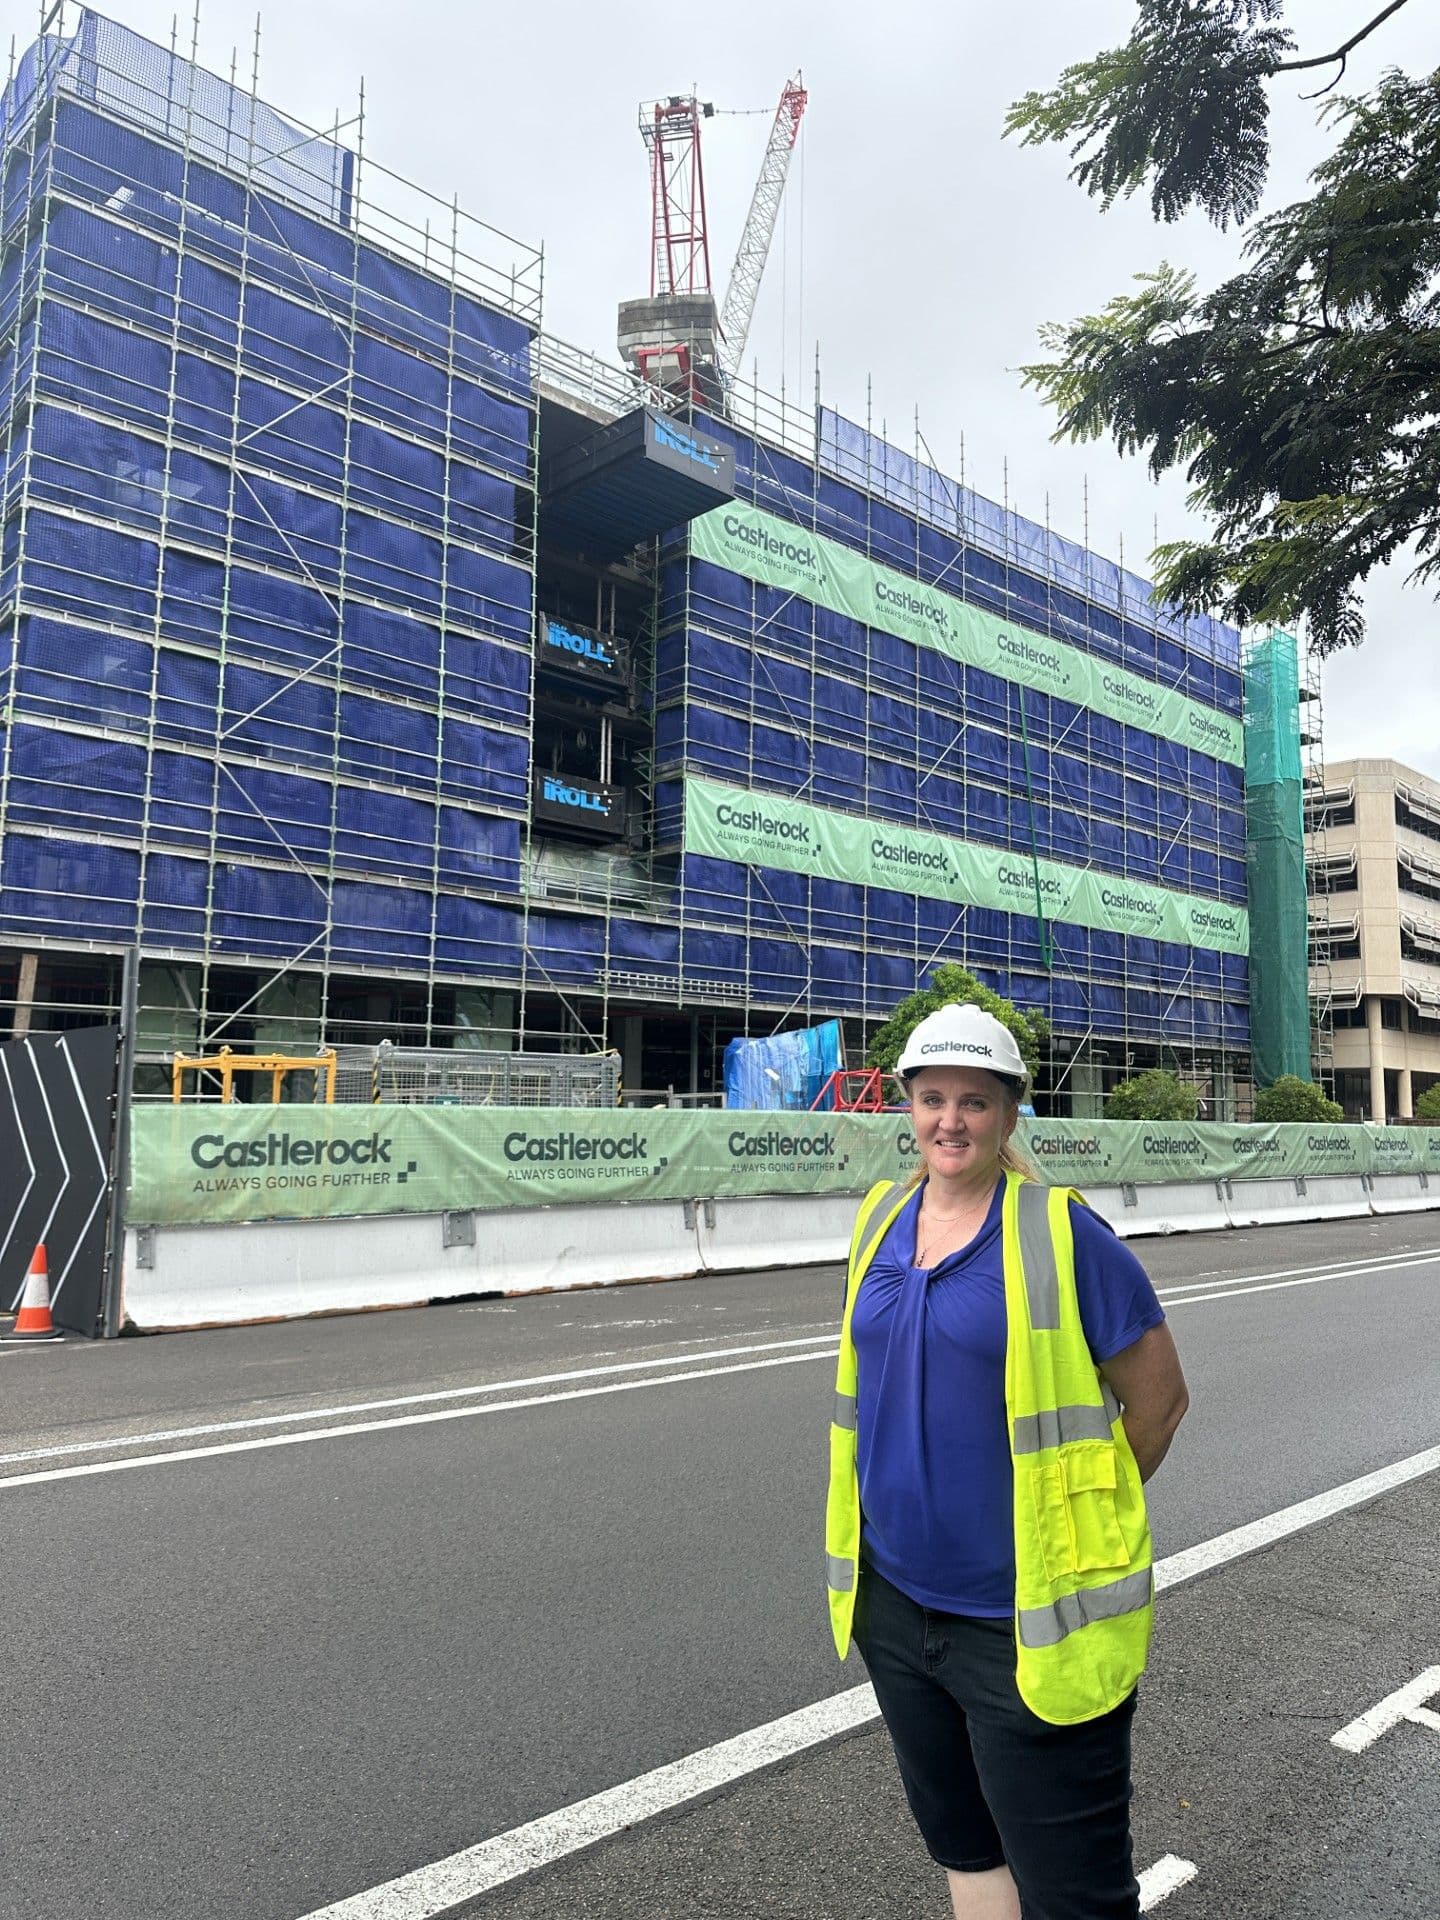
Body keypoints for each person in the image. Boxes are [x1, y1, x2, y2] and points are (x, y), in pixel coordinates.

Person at [825, 1003, 1189, 1920]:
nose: (951, 1120)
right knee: (966, 1848)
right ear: (906, 1105)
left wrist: (1074, 1520)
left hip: (1020, 1618)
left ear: (1010, 1114)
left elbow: (1159, 1402)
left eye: (975, 1102)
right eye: (933, 1098)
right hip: (896, 1606)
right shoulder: (880, 1218)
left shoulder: (1065, 1235)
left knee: (1075, 1892)